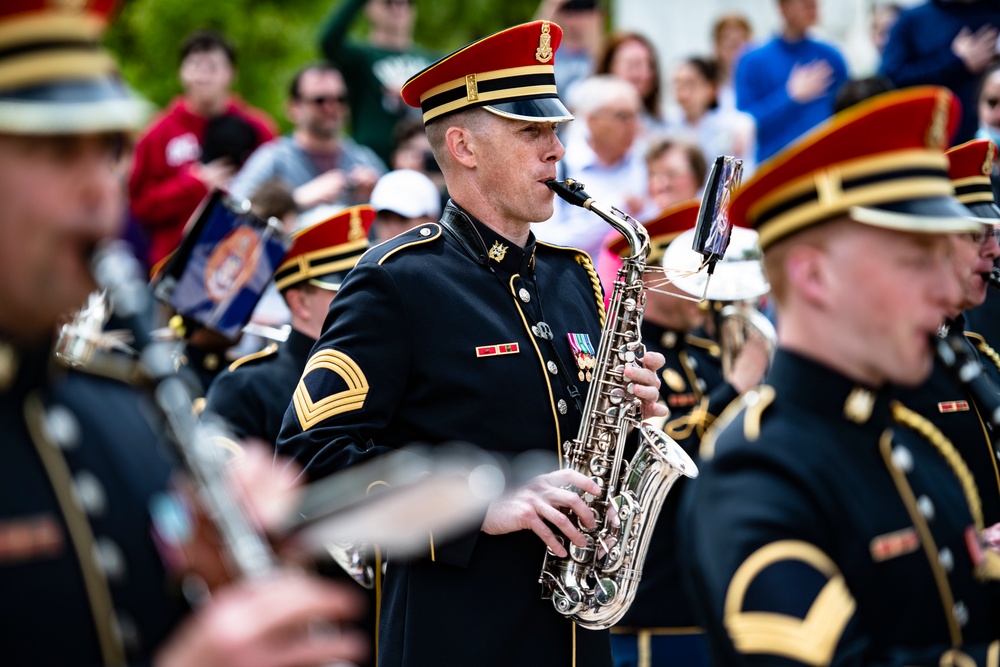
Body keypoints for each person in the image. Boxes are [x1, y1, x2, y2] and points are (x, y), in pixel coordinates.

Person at [276, 20, 668, 667]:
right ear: (462, 144)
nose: (556, 150)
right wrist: (479, 504)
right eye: (531, 131)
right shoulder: (395, 282)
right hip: (456, 638)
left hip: (575, 640)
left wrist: (636, 416)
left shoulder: (574, 278)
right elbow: (309, 457)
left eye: (555, 130)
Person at [0, 2, 368, 665]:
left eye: (106, 150)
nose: (100, 192)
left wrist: (216, 584)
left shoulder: (119, 412)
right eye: (57, 151)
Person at [679, 86, 1000, 665]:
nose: (943, 287)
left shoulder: (916, 440)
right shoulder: (754, 476)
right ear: (814, 276)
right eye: (913, 260)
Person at [605, 202, 770, 667]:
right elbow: (658, 449)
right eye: (692, 274)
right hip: (660, 586)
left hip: (720, 575)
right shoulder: (630, 355)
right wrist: (734, 389)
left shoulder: (711, 349)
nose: (705, 292)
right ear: (656, 276)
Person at [896, 138, 1000, 527]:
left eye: (994, 234)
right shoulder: (896, 364)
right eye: (977, 234)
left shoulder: (979, 354)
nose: (993, 251)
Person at [205, 205, 374, 444]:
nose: (363, 299)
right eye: (345, 290)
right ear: (299, 302)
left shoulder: (383, 365)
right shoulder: (246, 388)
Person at [129, 30, 278, 267]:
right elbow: (139, 206)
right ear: (181, 72)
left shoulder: (258, 128)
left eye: (212, 67)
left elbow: (277, 196)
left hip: (243, 263)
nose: (202, 75)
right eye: (195, 65)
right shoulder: (157, 133)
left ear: (231, 74)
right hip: (173, 263)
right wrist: (195, 184)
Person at [229, 63, 386, 220]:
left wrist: (380, 195)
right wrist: (293, 200)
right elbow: (231, 211)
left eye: (340, 99)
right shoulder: (274, 159)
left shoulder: (365, 159)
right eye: (320, 100)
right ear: (293, 108)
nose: (331, 107)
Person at [533, 74, 647, 263]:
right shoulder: (560, 167)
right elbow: (546, 242)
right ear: (592, 121)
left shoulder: (642, 162)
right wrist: (614, 210)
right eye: (622, 116)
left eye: (636, 115)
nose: (633, 125)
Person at [318, 0, 437, 165]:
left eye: (407, 2)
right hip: (372, 162)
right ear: (368, 8)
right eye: (389, 2)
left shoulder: (432, 60)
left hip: (425, 161)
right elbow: (329, 42)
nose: (399, 7)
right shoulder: (361, 58)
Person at [735, 0, 848, 162]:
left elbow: (847, 113)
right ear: (783, 8)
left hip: (826, 163)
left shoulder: (831, 56)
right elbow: (746, 125)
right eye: (804, 2)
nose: (812, 6)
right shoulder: (752, 61)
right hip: (777, 170)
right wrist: (790, 96)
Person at [880, 0, 1000, 146]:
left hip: (989, 145)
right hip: (930, 144)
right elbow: (891, 79)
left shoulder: (994, 13)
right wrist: (955, 62)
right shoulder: (912, 20)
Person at [666, 56, 757, 174]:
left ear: (711, 89)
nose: (683, 93)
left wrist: (745, 129)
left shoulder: (734, 125)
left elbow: (746, 123)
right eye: (677, 84)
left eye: (690, 84)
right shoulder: (668, 126)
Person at [596, 32, 668, 138]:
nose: (644, 74)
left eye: (649, 65)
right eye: (634, 65)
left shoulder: (664, 123)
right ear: (610, 68)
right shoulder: (589, 119)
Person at [368, 169, 441, 242]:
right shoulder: (367, 252)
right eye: (385, 218)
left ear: (431, 220)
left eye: (402, 219)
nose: (392, 228)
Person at [712, 13, 753, 112]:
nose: (733, 44)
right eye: (727, 39)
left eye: (739, 39)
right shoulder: (709, 81)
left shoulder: (760, 78)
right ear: (717, 45)